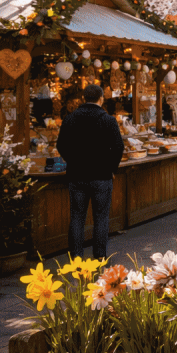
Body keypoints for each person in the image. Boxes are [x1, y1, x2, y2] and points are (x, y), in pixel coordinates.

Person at [56, 84, 124, 259]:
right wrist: (111, 168)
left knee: (77, 217)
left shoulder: (70, 119)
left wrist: (72, 160)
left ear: (83, 98)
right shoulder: (108, 120)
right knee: (101, 217)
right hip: (101, 175)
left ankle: (76, 257)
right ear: (101, 99)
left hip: (77, 175)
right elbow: (118, 147)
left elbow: (61, 145)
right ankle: (100, 256)